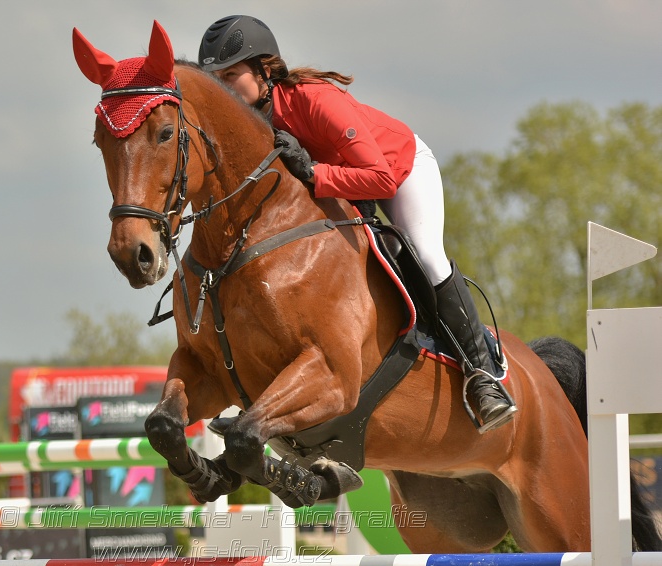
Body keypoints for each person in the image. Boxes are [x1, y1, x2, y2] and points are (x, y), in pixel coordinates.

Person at [198, 15, 516, 432]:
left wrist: (313, 172)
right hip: (345, 187)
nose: (223, 88)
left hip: (400, 169)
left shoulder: (313, 99)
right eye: (216, 79)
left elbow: (380, 177)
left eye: (231, 75)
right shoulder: (252, 125)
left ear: (265, 70)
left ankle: (483, 375)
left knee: (425, 255)